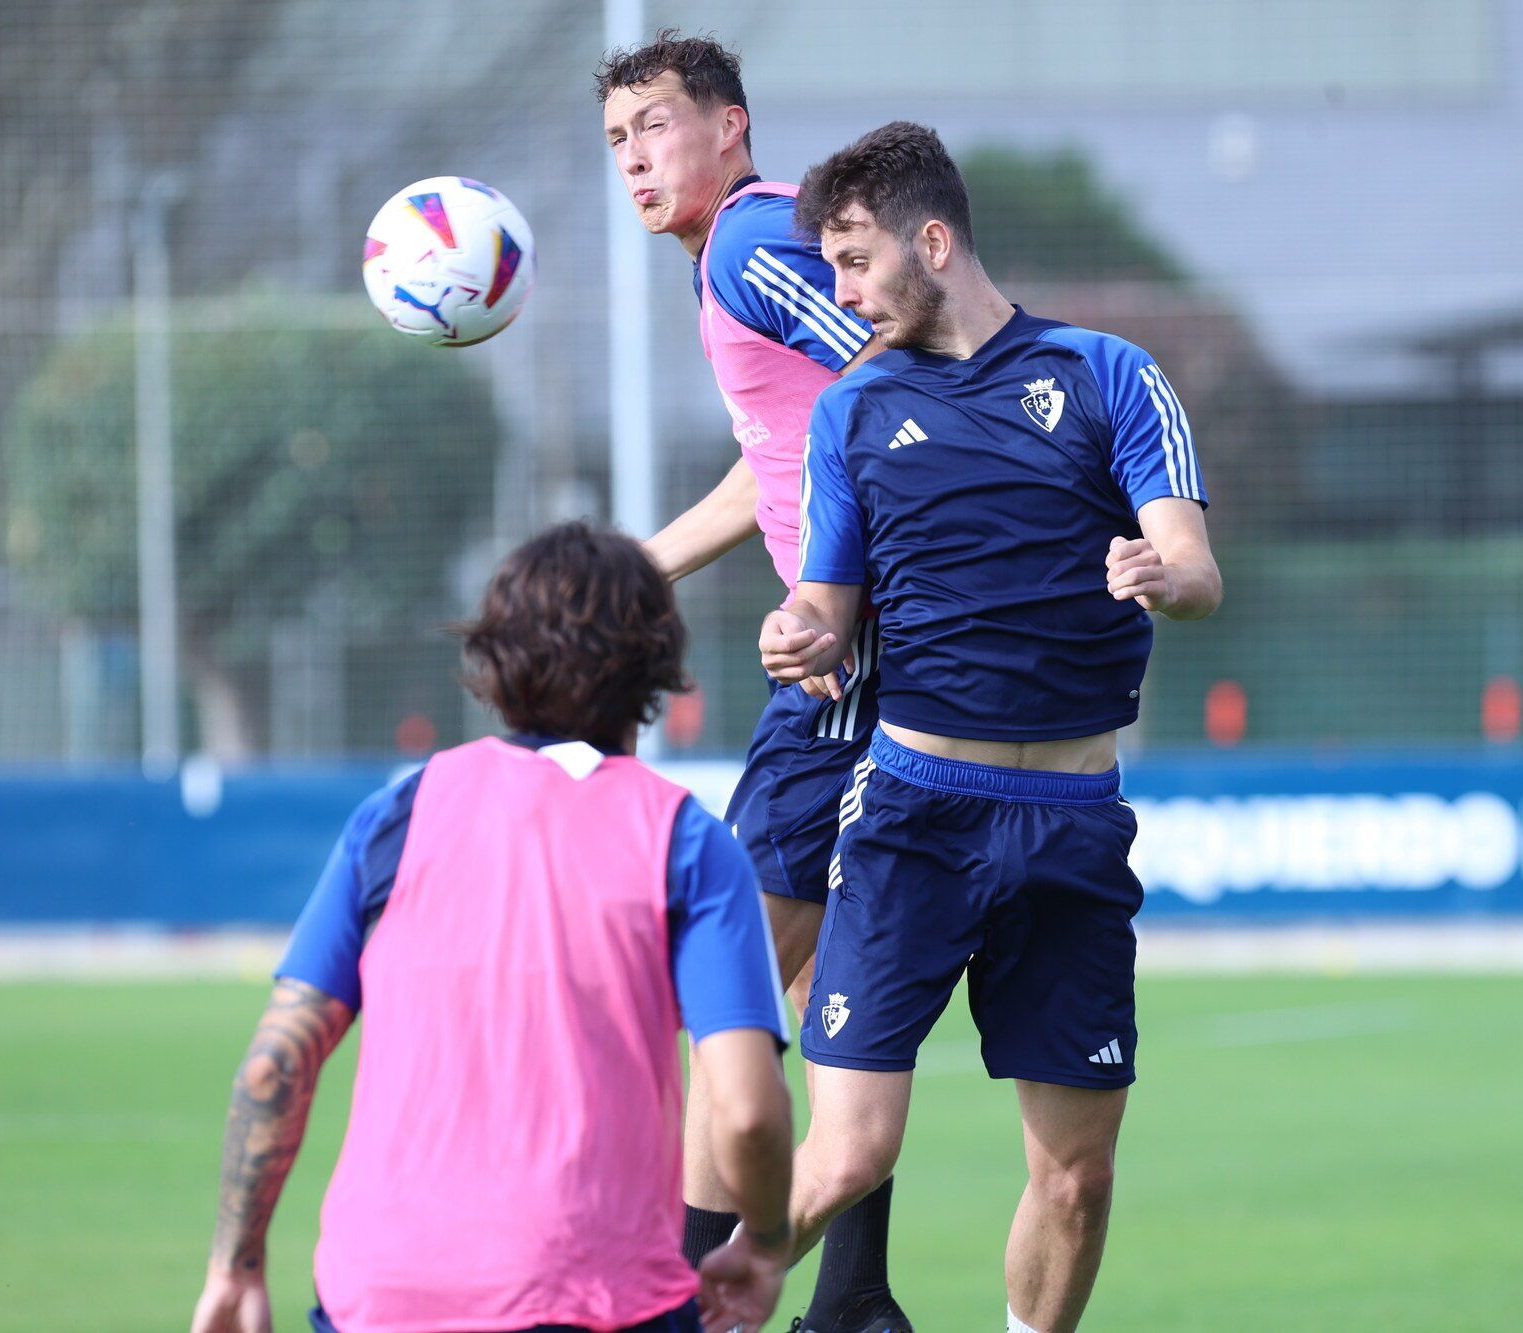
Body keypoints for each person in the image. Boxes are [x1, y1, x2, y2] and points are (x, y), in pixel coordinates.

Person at [760, 122, 1223, 1333]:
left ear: (931, 239)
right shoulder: (851, 412)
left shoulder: (1106, 374)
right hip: (915, 812)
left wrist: (1159, 575)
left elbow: (1194, 566)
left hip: (1072, 822)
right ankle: (666, 1310)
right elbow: (824, 602)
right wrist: (795, 633)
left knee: (1076, 1177)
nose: (842, 291)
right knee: (845, 1154)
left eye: (855, 260)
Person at [189, 524, 793, 1333]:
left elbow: (273, 1065)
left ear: (494, 658)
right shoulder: (685, 840)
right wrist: (763, 1242)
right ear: (658, 670)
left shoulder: (395, 817)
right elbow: (748, 1109)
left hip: (381, 1297)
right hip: (596, 1299)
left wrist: (236, 1264)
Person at [594, 33, 911, 1333]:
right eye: (618, 141)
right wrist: (634, 567)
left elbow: (900, 371)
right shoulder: (735, 264)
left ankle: (675, 1301)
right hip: (877, 659)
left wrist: (837, 593)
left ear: (731, 127)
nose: (636, 159)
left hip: (856, 667)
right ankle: (853, 1302)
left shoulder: (749, 240)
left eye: (657, 127)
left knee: (721, 986)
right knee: (824, 990)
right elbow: (779, 450)